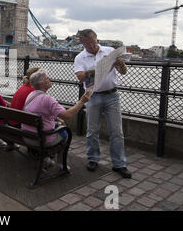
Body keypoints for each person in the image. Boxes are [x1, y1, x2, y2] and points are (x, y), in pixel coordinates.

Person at [74, 29, 131, 178]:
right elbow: (80, 77)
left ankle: (119, 164)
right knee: (92, 131)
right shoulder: (80, 57)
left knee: (117, 132)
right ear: (82, 44)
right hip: (92, 96)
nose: (91, 46)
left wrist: (119, 64)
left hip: (112, 95)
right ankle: (93, 159)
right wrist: (98, 69)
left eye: (93, 42)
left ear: (96, 39)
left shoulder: (109, 51)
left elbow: (123, 72)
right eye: (87, 44)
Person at [22, 69, 91, 168]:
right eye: (47, 78)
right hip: (42, 139)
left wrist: (57, 118)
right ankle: (61, 164)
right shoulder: (48, 99)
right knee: (65, 133)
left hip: (27, 136)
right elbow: (67, 115)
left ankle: (45, 158)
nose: (49, 79)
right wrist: (81, 102)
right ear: (42, 83)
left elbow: (41, 112)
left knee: (58, 124)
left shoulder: (31, 95)